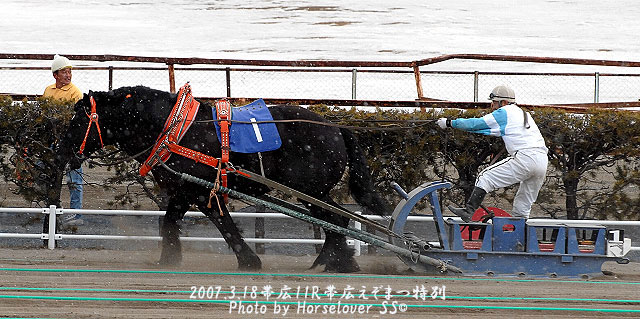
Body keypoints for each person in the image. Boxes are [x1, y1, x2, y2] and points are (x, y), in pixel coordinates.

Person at [437, 85, 548, 222]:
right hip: (542, 161)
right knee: (523, 205)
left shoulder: (505, 112)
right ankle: (521, 238)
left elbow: (476, 124)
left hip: (525, 158)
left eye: (494, 102)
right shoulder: (524, 114)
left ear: (504, 102)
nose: (492, 106)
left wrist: (449, 123)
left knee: (485, 176)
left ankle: (469, 211)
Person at [43, 54, 84, 226]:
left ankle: (76, 214)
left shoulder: (75, 92)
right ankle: (53, 207)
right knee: (49, 174)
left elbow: (79, 118)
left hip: (70, 141)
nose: (68, 75)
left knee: (74, 178)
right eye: (64, 72)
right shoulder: (48, 90)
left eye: (69, 72)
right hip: (53, 139)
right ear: (55, 75)